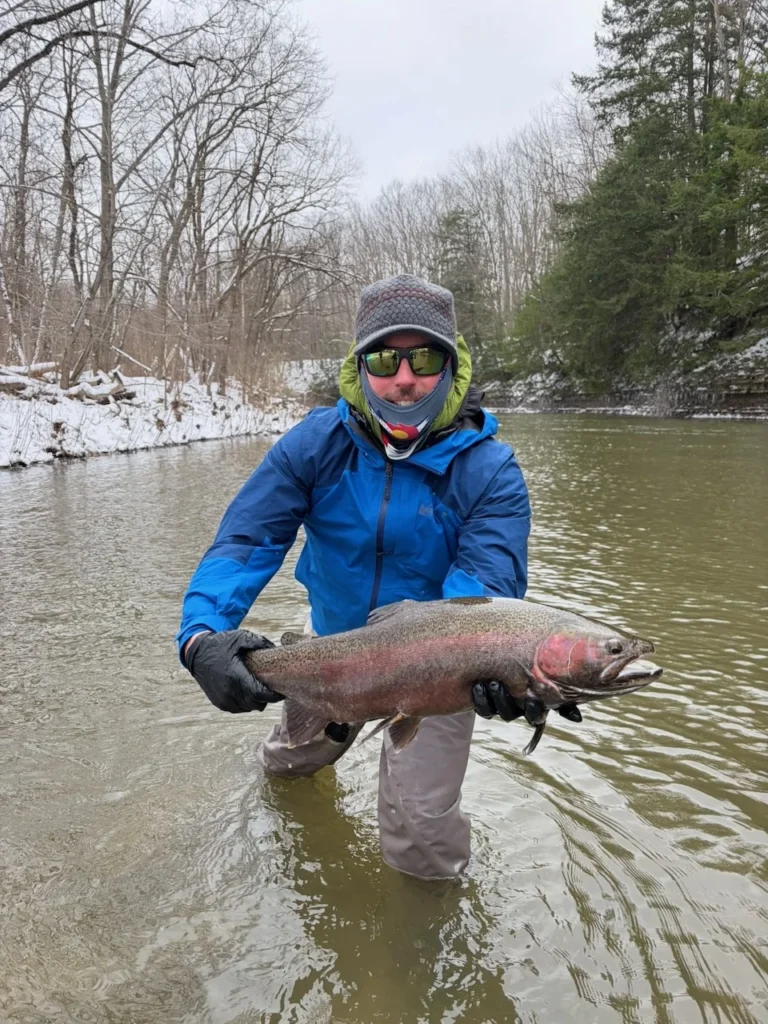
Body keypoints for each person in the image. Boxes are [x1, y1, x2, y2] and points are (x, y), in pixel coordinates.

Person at [177, 274, 572, 880]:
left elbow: (483, 590)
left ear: (451, 364)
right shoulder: (314, 445)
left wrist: (494, 668)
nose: (404, 378)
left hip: (442, 671)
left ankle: (424, 935)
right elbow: (248, 540)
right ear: (359, 366)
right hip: (333, 648)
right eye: (386, 358)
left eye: (425, 357)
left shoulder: (490, 470)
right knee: (289, 765)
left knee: (422, 833)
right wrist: (202, 636)